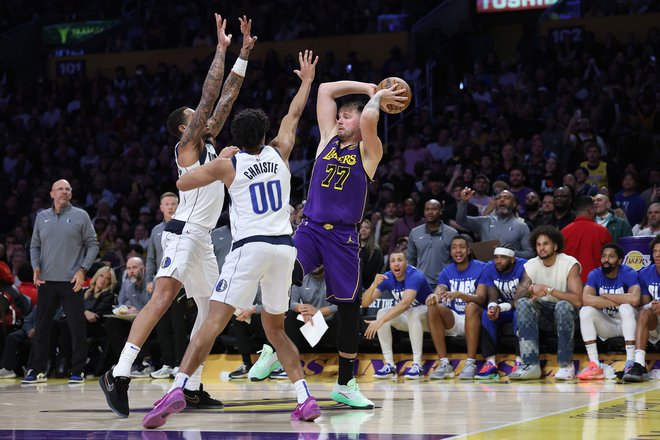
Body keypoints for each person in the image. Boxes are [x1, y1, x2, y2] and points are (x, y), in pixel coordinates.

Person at [142, 49, 321, 429]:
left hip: (250, 248)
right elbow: (292, 116)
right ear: (264, 135)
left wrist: (218, 158)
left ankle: (176, 388)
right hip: (284, 250)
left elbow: (182, 181)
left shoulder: (229, 163)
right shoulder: (281, 151)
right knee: (275, 329)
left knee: (212, 321)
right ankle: (304, 397)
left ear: (237, 138)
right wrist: (305, 82)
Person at [100, 14, 256, 418]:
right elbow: (209, 98)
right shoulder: (187, 148)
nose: (202, 116)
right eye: (195, 115)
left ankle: (190, 386)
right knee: (164, 298)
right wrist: (219, 49)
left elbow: (226, 100)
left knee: (210, 310)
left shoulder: (208, 142)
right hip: (183, 234)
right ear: (186, 126)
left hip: (203, 238)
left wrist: (242, 54)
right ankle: (118, 373)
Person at [262, 76, 407, 407]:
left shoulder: (370, 150)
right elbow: (326, 89)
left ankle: (345, 382)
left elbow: (370, 119)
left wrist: (375, 99)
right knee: (285, 274)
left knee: (349, 308)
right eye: (338, 116)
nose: (339, 119)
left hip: (343, 235)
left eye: (346, 116)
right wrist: (370, 87)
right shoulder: (326, 138)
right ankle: (274, 346)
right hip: (311, 228)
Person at [23, 179, 99, 384]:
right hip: (46, 280)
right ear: (52, 193)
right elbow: (34, 246)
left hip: (71, 280)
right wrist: (36, 266)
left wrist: (83, 270)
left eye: (67, 189)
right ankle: (37, 370)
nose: (64, 192)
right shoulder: (42, 217)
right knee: (42, 327)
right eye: (60, 189)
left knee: (76, 328)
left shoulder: (81, 216)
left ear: (71, 194)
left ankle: (78, 370)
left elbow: (93, 245)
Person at [511, 225, 583, 380]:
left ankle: (566, 365)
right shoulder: (531, 264)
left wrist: (548, 289)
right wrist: (531, 289)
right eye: (538, 244)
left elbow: (578, 300)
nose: (541, 248)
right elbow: (516, 300)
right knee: (524, 303)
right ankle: (530, 364)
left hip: (569, 315)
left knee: (562, 306)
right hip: (543, 313)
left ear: (555, 246)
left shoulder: (569, 264)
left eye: (546, 244)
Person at [362, 248, 432, 380]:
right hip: (410, 320)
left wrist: (380, 321)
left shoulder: (415, 275)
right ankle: (389, 365)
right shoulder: (387, 277)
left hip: (429, 320)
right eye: (393, 261)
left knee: (414, 312)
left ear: (406, 263)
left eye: (400, 260)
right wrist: (373, 285)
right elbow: (365, 303)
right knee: (382, 312)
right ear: (390, 265)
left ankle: (417, 365)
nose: (396, 264)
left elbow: (406, 303)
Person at [426, 235, 487, 380]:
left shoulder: (481, 267)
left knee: (471, 306)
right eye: (454, 247)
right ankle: (444, 364)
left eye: (461, 247)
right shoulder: (447, 271)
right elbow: (440, 290)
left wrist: (460, 295)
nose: (457, 250)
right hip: (455, 319)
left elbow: (481, 298)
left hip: (476, 318)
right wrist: (433, 297)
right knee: (433, 307)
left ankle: (471, 363)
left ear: (468, 251)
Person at [577, 243, 641, 380]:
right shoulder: (595, 274)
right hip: (609, 324)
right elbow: (586, 299)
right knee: (585, 311)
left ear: (619, 260)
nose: (606, 260)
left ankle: (630, 362)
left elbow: (635, 299)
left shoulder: (629, 273)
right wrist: (621, 299)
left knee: (626, 307)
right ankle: (594, 364)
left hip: (629, 323)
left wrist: (607, 297)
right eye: (604, 256)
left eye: (611, 257)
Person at [145, 192, 187, 379]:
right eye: (166, 204)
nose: (170, 207)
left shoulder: (186, 227)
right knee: (162, 326)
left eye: (173, 203)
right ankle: (167, 363)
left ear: (179, 206)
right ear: (161, 207)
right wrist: (149, 280)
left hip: (180, 283)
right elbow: (151, 259)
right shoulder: (155, 231)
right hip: (160, 284)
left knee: (179, 326)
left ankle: (180, 363)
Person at [475, 244, 526, 380]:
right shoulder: (489, 267)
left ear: (512, 259)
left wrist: (500, 307)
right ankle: (490, 363)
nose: (498, 261)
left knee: (519, 311)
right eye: (496, 257)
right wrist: (493, 307)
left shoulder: (524, 267)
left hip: (522, 306)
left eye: (503, 257)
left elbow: (520, 300)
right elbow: (492, 294)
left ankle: (520, 361)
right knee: (487, 315)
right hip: (504, 307)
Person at [55, 266, 116, 379]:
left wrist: (81, 312)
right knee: (57, 324)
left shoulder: (108, 295)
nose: (103, 280)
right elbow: (71, 307)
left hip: (96, 326)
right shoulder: (84, 291)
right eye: (101, 276)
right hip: (77, 322)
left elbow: (95, 315)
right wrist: (84, 311)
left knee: (66, 325)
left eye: (107, 279)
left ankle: (64, 362)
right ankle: (59, 362)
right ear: (96, 277)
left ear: (110, 282)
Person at [456, 188, 534, 259]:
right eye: (499, 198)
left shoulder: (521, 226)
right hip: (488, 270)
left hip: (511, 270)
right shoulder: (485, 221)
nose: (502, 200)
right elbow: (461, 221)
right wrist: (464, 202)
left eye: (506, 198)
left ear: (513, 204)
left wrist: (510, 253)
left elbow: (530, 253)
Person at [624, 236, 660, 382]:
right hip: (656, 320)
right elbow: (644, 305)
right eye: (655, 251)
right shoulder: (645, 273)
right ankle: (638, 364)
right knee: (644, 312)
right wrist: (653, 305)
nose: (658, 255)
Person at [407, 199, 457, 289]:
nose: (430, 212)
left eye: (434, 209)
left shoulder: (452, 233)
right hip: (420, 284)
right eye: (427, 209)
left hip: (444, 285)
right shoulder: (414, 233)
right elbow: (410, 260)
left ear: (440, 211)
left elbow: (456, 261)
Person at [561, 196, 613, 283]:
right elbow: (611, 259)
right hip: (597, 283)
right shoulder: (602, 231)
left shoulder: (564, 232)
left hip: (570, 283)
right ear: (590, 210)